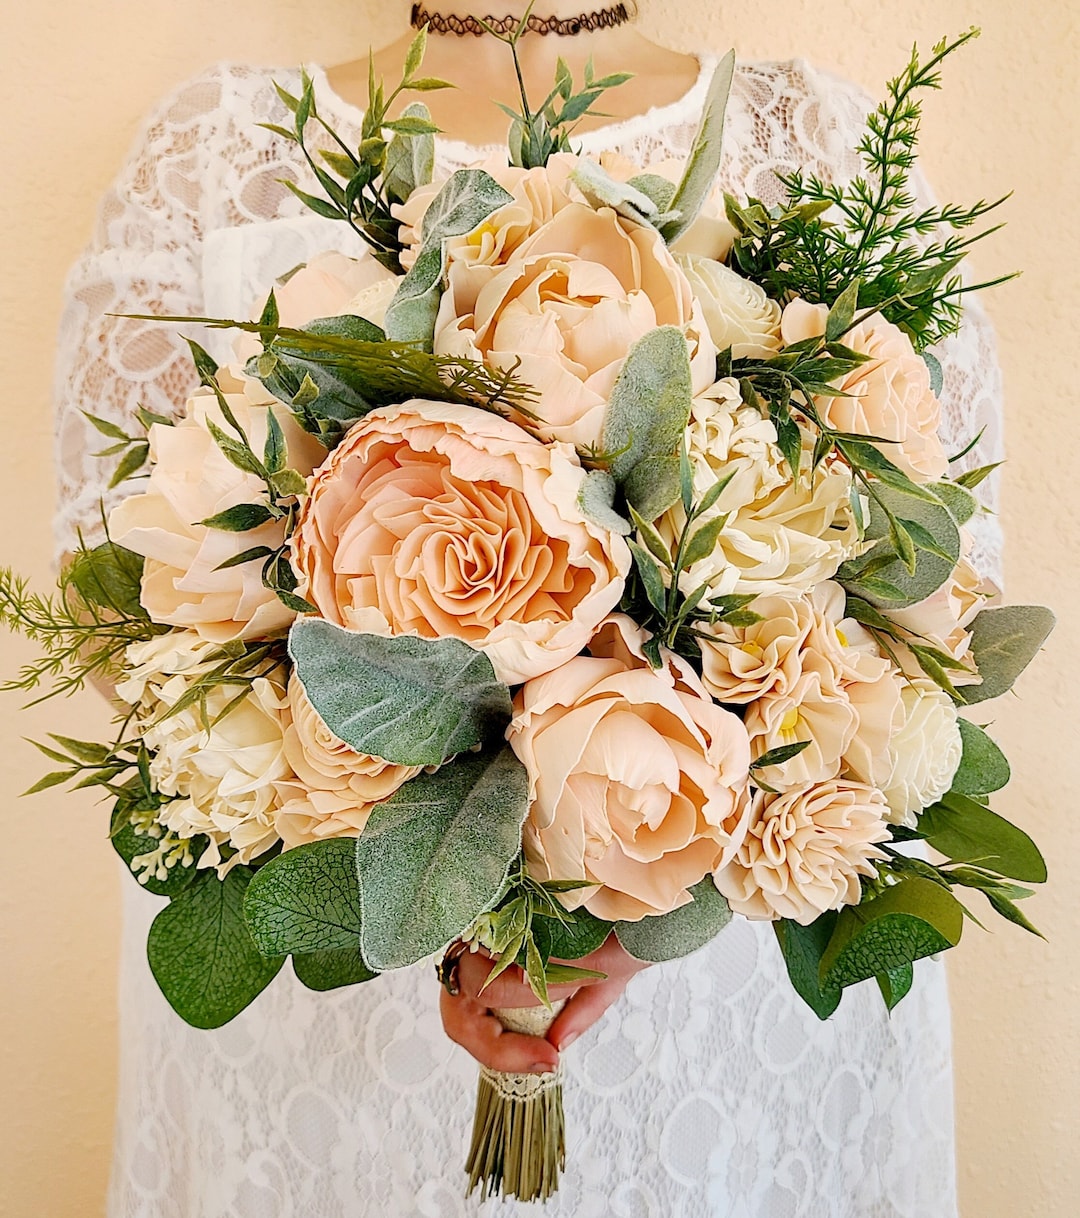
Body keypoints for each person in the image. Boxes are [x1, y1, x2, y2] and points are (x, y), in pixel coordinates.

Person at [53, 3, 1004, 1214]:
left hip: (715, 1007)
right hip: (338, 1024)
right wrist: (449, 904)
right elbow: (118, 608)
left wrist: (622, 890)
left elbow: (944, 592)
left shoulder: (814, 140)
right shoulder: (214, 152)